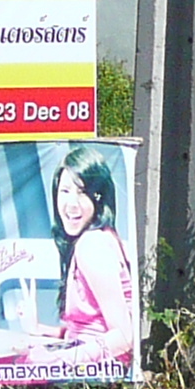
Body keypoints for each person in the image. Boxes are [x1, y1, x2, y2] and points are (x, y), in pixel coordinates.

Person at [43, 143, 136, 365]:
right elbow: (90, 328)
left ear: (99, 198)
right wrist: (45, 332)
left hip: (100, 375)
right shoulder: (97, 238)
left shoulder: (92, 245)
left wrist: (60, 359)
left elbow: (124, 337)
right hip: (89, 364)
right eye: (64, 191)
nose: (71, 205)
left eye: (82, 193)